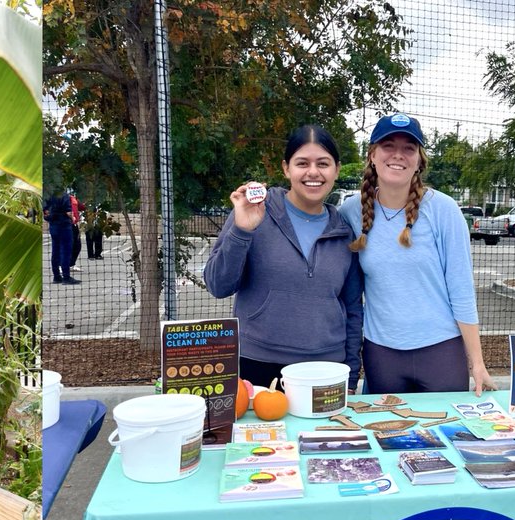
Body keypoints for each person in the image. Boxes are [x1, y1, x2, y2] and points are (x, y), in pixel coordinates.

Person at [341, 113, 496, 396]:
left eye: (409, 148)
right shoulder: (351, 211)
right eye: (388, 146)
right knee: (385, 424)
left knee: (448, 424)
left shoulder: (444, 210)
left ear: (419, 161)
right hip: (381, 354)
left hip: (440, 352)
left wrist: (477, 362)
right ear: (372, 155)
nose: (398, 155)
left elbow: (461, 290)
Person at [204, 125, 363, 390]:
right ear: (286, 168)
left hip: (326, 369)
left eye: (323, 163)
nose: (313, 172)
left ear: (336, 169)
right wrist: (241, 231)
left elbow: (353, 309)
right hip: (257, 364)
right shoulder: (255, 211)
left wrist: (351, 375)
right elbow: (218, 286)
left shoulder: (345, 232)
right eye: (302, 163)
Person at [43, 188, 79, 285]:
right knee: (65, 251)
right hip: (64, 226)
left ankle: (56, 276)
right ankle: (66, 277)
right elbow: (68, 211)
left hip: (53, 226)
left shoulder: (47, 194)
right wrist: (73, 218)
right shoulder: (63, 195)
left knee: (55, 251)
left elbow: (45, 212)